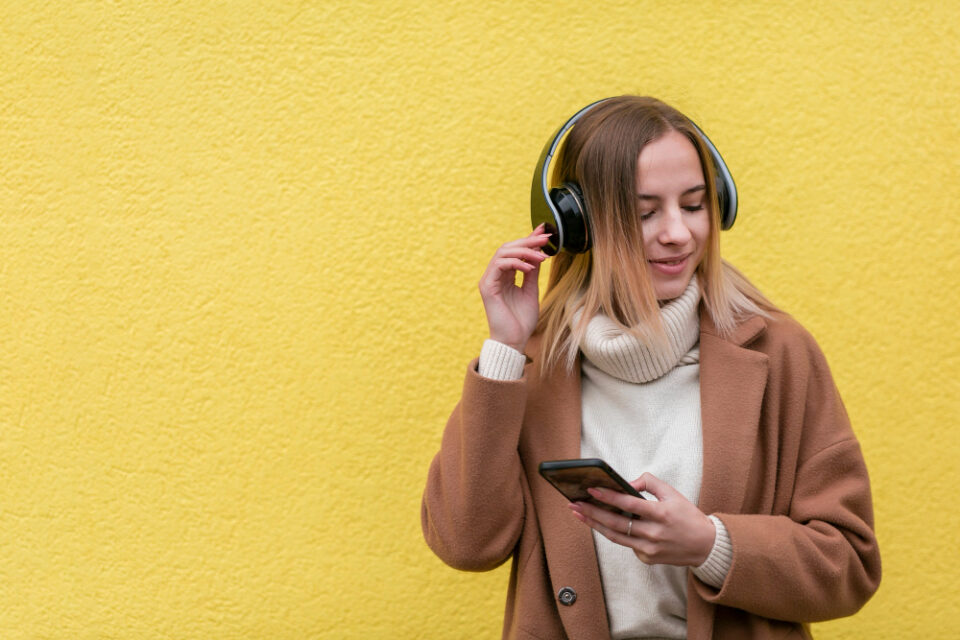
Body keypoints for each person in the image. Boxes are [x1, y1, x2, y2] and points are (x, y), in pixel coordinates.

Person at [421, 96, 880, 639]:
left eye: (693, 205)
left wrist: (712, 545)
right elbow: (466, 543)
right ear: (579, 225)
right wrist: (506, 349)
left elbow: (848, 564)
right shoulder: (533, 366)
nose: (678, 234)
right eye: (645, 213)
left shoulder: (779, 352)